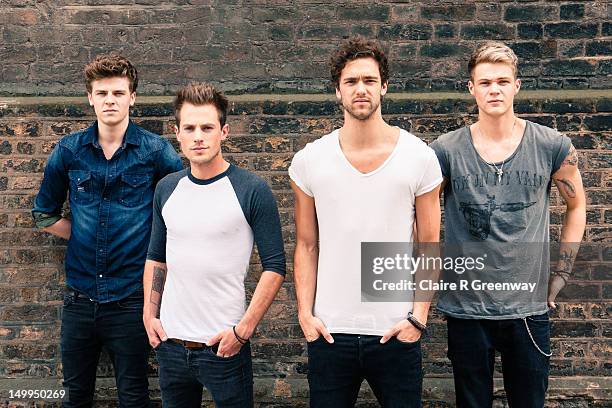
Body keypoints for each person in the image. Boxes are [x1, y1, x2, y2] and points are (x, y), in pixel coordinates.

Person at [430, 42, 586, 408]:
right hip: (467, 309)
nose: (494, 89)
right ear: (471, 88)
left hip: (528, 310)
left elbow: (576, 206)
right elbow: (419, 217)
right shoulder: (446, 150)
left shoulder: (552, 146)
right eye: (485, 82)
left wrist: (561, 272)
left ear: (517, 86)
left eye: (502, 81)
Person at [289, 36, 442, 408]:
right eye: (351, 82)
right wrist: (305, 315)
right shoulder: (310, 161)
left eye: (370, 81)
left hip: (394, 330)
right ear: (338, 92)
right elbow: (307, 244)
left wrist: (418, 317)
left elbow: (430, 245)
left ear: (384, 87)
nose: (361, 89)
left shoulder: (419, 158)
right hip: (330, 332)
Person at [32, 54, 183, 407]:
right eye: (102, 93)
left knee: (133, 396)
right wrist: (84, 235)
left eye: (118, 92)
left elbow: (177, 218)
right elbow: (43, 213)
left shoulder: (156, 152)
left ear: (132, 97)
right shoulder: (69, 151)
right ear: (90, 98)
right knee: (74, 396)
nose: (110, 100)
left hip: (132, 300)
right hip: (79, 298)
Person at [143, 82, 286, 408]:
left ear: (224, 131)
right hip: (172, 345)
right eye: (189, 128)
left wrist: (242, 331)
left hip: (224, 347)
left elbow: (275, 267)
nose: (198, 136)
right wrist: (149, 315)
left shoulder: (251, 189)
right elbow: (156, 257)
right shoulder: (167, 188)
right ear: (176, 133)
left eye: (207, 127)